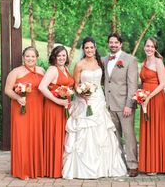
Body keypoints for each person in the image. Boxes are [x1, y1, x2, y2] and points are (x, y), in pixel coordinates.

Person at [62, 37, 127, 179]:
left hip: (98, 99)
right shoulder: (79, 65)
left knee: (102, 132)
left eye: (92, 47)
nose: (89, 50)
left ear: (95, 48)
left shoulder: (100, 62)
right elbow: (76, 84)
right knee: (84, 130)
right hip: (83, 101)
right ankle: (81, 169)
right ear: (83, 49)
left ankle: (104, 168)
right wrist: (81, 93)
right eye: (87, 48)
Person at [5, 46, 45, 180]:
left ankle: (36, 169)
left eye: (33, 56)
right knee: (22, 137)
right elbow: (8, 90)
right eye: (27, 56)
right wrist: (18, 98)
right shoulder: (15, 72)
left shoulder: (41, 71)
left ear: (37, 58)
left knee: (35, 136)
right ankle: (22, 170)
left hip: (38, 109)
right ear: (23, 57)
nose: (30, 59)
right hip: (21, 108)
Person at [103, 33, 138, 177]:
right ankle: (119, 163)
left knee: (128, 136)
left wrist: (129, 104)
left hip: (125, 105)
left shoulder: (130, 60)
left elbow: (133, 84)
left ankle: (133, 165)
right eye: (111, 42)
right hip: (108, 105)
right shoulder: (103, 60)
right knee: (114, 137)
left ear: (120, 44)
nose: (113, 45)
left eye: (116, 42)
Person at [39, 46, 74, 178]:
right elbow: (42, 87)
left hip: (64, 107)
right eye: (58, 55)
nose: (61, 58)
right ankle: (52, 169)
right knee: (55, 135)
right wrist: (57, 101)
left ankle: (61, 166)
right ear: (54, 57)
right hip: (54, 107)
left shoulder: (65, 69)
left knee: (62, 135)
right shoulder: (53, 69)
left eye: (64, 55)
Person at [138, 37, 165, 175]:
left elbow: (162, 84)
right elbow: (143, 81)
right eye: (147, 46)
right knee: (147, 128)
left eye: (152, 46)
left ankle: (156, 165)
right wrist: (139, 94)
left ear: (155, 48)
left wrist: (149, 97)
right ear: (144, 47)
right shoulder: (144, 62)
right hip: (144, 98)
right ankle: (147, 163)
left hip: (155, 99)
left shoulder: (158, 62)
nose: (149, 48)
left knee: (155, 129)